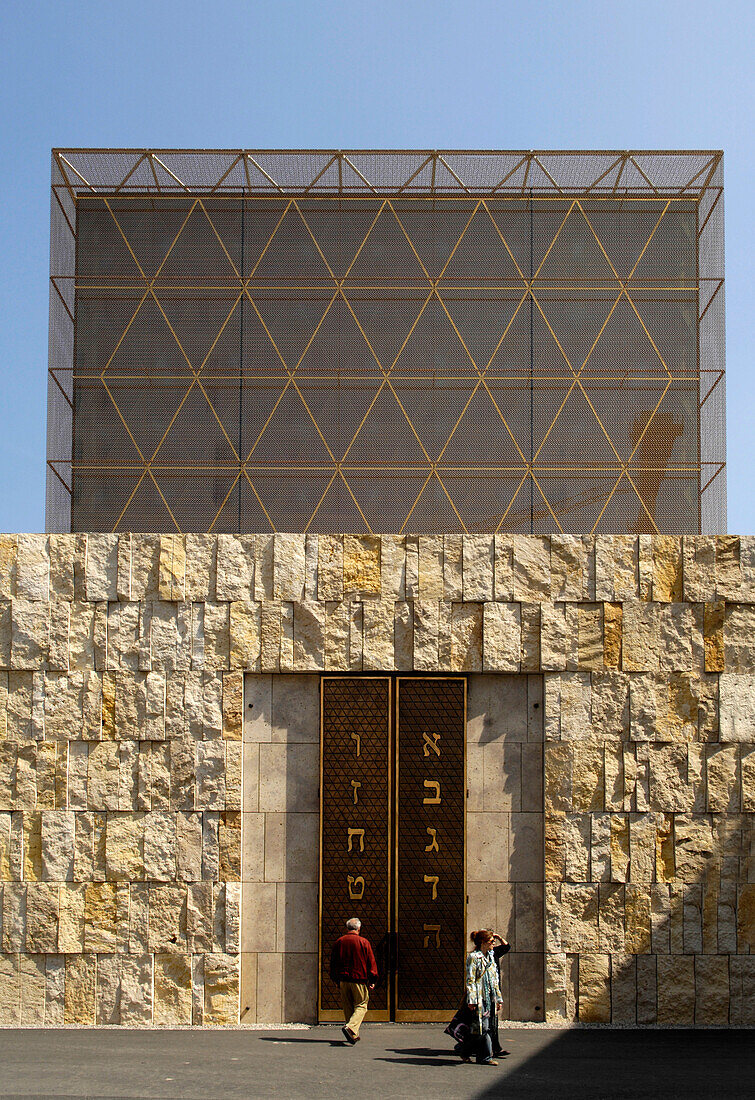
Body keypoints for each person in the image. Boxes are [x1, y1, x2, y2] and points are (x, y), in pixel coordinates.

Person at [329, 917, 379, 1045]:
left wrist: (335, 979)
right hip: (359, 979)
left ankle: (353, 1034)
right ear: (359, 928)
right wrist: (373, 978)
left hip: (343, 980)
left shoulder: (339, 942)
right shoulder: (363, 942)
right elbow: (370, 962)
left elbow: (333, 963)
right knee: (361, 1005)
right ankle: (351, 1027)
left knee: (348, 1006)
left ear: (347, 928)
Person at [462, 929, 505, 1066]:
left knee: (481, 1028)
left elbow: (494, 979)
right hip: (479, 998)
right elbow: (470, 979)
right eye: (491, 941)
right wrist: (472, 1000)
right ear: (483, 942)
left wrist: (498, 999)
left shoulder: (490, 957)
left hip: (489, 996)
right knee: (484, 1027)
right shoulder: (474, 957)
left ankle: (464, 1050)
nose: (493, 943)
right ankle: (485, 1057)